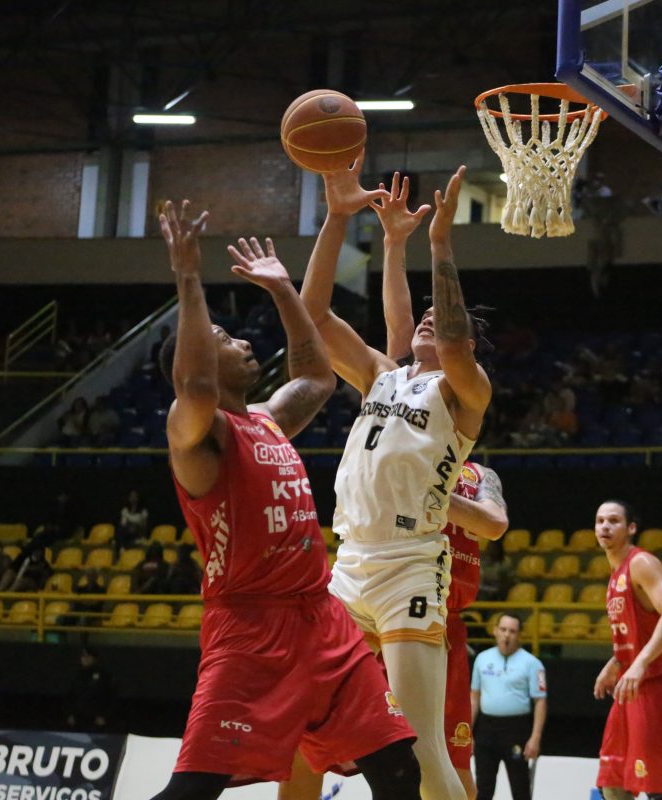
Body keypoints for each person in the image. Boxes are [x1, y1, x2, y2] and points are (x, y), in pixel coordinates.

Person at [147, 198, 419, 800]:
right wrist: (187, 276)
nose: (243, 341)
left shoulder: (267, 421)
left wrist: (283, 290)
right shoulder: (196, 434)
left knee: (399, 769)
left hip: (322, 619)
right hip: (249, 629)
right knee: (192, 791)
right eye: (223, 338)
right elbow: (195, 384)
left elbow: (317, 376)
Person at [278, 172, 507, 800]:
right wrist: (336, 219)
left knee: (421, 749)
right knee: (304, 725)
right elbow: (314, 315)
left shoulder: (465, 390)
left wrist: (439, 243)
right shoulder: (382, 374)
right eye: (423, 316)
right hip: (350, 564)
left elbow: (452, 335)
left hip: (410, 566)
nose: (429, 319)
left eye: (441, 319)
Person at [592, 500, 662, 800]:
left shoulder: (641, 563)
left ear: (631, 528)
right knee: (612, 782)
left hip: (656, 684)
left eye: (613, 520)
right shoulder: (615, 573)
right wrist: (617, 661)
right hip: (629, 687)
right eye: (600, 521)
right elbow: (638, 631)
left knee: (655, 785)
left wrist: (640, 663)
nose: (605, 526)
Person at [470, 614, 547, 800]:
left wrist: (535, 738)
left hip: (516, 730)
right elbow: (474, 697)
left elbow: (540, 702)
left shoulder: (533, 664)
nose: (507, 635)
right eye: (503, 630)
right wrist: (468, 732)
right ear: (495, 631)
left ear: (519, 635)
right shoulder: (482, 659)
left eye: (512, 631)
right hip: (486, 730)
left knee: (520, 788)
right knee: (482, 789)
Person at [66, 647, 113, 732]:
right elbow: (71, 695)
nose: (85, 659)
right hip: (78, 718)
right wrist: (70, 714)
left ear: (94, 658)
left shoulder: (103, 675)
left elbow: (109, 696)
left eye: (88, 656)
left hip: (96, 719)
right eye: (83, 656)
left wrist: (103, 715)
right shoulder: (77, 675)